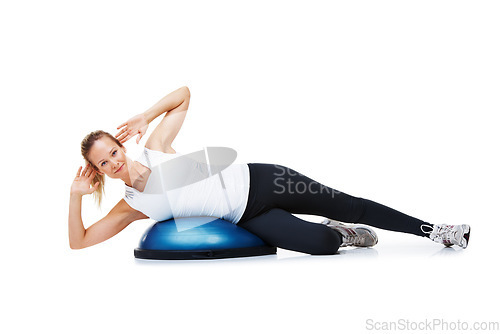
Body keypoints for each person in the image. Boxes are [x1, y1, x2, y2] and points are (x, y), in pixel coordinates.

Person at [69, 86, 471, 253]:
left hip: (262, 179)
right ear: (100, 172)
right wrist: (74, 197)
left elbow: (184, 96)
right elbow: (80, 242)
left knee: (352, 204)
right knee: (321, 246)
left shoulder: (157, 147)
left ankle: (438, 231)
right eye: (104, 163)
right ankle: (340, 234)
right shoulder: (133, 205)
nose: (115, 162)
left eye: (114, 151)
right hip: (247, 216)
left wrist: (146, 114)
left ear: (122, 144)